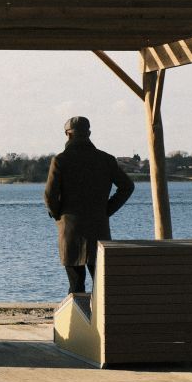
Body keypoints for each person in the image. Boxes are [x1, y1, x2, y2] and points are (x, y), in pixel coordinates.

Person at [44, 116, 134, 294]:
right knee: (101, 286)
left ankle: (78, 321)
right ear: (89, 134)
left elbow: (49, 196)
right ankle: (100, 320)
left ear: (67, 135)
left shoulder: (61, 160)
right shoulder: (106, 160)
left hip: (70, 230)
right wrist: (107, 210)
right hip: (98, 230)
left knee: (76, 285)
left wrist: (57, 213)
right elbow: (127, 186)